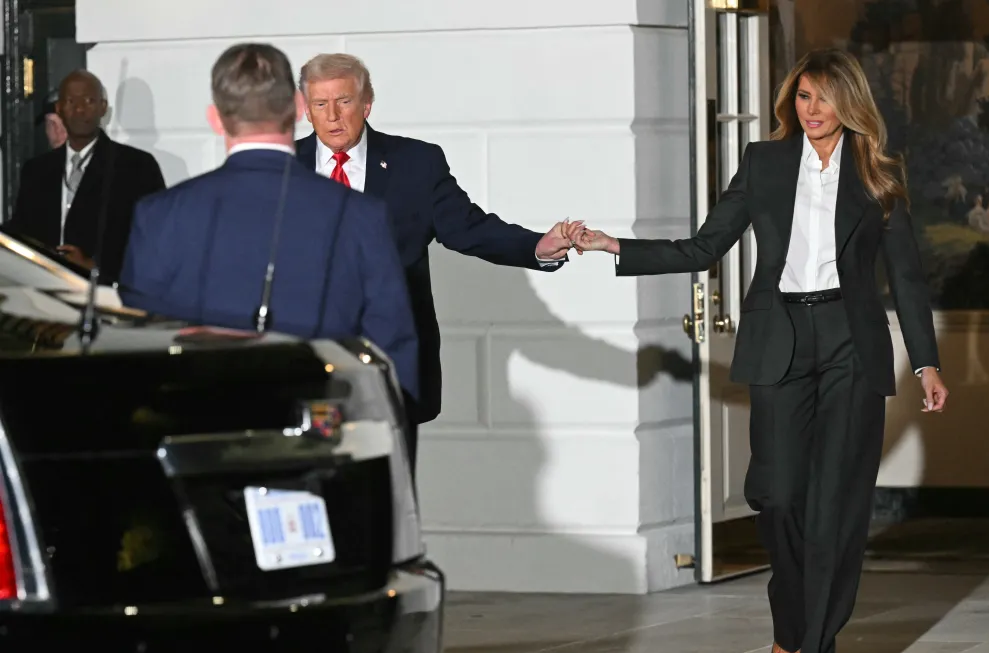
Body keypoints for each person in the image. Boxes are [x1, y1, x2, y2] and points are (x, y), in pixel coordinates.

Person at [575, 49, 949, 653]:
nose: (812, 110)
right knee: (776, 496)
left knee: (835, 508)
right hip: (780, 337)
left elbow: (908, 278)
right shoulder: (765, 164)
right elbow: (703, 247)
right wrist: (617, 247)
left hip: (850, 347)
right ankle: (790, 615)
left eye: (824, 98)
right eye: (803, 97)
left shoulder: (880, 176)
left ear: (849, 104)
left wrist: (926, 361)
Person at [294, 53, 581, 465]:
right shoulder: (281, 167)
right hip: (307, 364)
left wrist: (537, 246)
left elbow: (469, 228)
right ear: (306, 109)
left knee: (388, 501)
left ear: (367, 104)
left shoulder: (416, 164)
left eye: (344, 101)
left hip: (388, 366)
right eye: (320, 104)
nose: (333, 116)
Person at [118, 43, 424, 416]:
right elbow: (393, 361)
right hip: (324, 451)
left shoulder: (158, 215)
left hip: (199, 451)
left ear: (215, 119)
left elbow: (136, 360)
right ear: (298, 109)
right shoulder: (362, 215)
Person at [4, 70, 165, 283]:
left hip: (105, 295)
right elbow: (21, 232)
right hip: (45, 294)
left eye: (89, 100)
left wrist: (96, 267)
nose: (80, 109)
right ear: (59, 109)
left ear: (103, 108)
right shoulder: (36, 170)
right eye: (71, 101)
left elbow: (155, 239)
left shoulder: (136, 166)